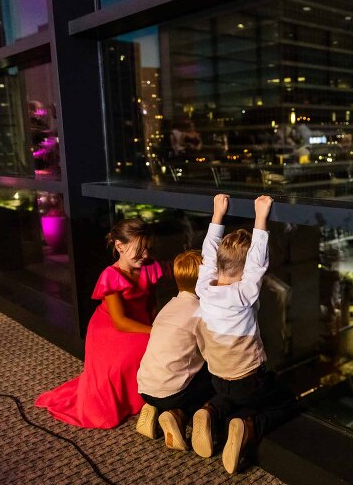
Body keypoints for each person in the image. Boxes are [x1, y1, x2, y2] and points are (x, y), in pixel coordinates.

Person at [191, 194, 298, 474]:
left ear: (218, 263)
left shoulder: (204, 286)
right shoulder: (243, 294)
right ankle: (248, 425)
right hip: (249, 379)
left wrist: (217, 216)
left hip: (217, 377)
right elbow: (257, 264)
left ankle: (210, 411)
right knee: (286, 401)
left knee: (230, 394)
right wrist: (261, 218)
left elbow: (208, 252)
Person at [35, 218, 163, 428]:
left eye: (148, 249)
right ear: (119, 246)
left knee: (159, 346)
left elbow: (152, 303)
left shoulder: (149, 267)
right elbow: (120, 321)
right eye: (140, 250)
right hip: (110, 327)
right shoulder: (111, 275)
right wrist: (155, 331)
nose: (146, 255)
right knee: (144, 348)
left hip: (140, 322)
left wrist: (157, 324)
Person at [135, 250, 215, 450]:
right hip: (172, 393)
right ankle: (178, 415)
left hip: (145, 387)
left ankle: (153, 408)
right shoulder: (200, 313)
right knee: (213, 376)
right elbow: (209, 354)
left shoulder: (168, 306)